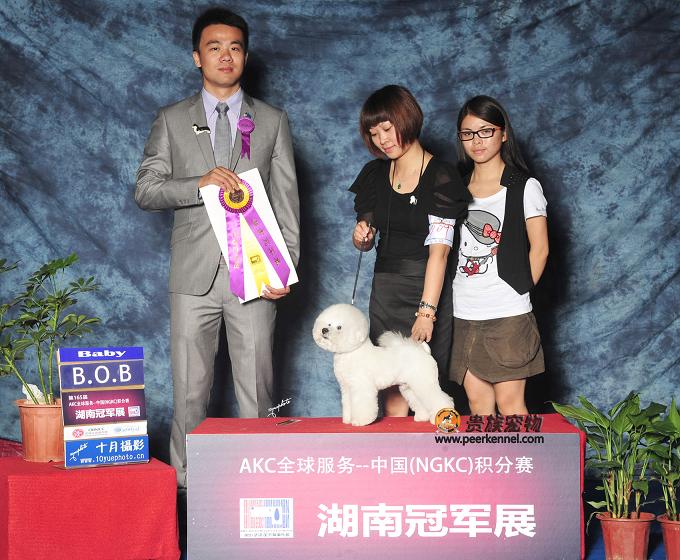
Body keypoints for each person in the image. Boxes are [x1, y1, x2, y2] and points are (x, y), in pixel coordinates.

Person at [135, 8, 300, 487]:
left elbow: (287, 201)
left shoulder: (272, 120)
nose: (225, 56)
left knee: (258, 392)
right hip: (193, 279)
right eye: (214, 47)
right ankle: (185, 487)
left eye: (234, 47)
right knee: (190, 393)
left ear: (245, 56)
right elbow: (146, 190)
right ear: (197, 57)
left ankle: (262, 484)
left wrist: (284, 269)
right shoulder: (171, 119)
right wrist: (199, 183)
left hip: (257, 274)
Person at [349, 85, 470, 417]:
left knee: (425, 387)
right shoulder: (374, 174)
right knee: (389, 387)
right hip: (384, 291)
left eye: (387, 129)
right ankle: (394, 450)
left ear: (407, 119)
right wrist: (361, 236)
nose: (382, 140)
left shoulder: (441, 176)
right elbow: (365, 238)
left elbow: (440, 253)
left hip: (424, 286)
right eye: (374, 134)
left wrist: (426, 312)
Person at [450, 95, 549, 416]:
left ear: (503, 133)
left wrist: (518, 289)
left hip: (508, 314)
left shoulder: (524, 186)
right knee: (478, 406)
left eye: (486, 131)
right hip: (463, 311)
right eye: (468, 133)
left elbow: (541, 248)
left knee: (510, 405)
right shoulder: (455, 189)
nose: (476, 141)